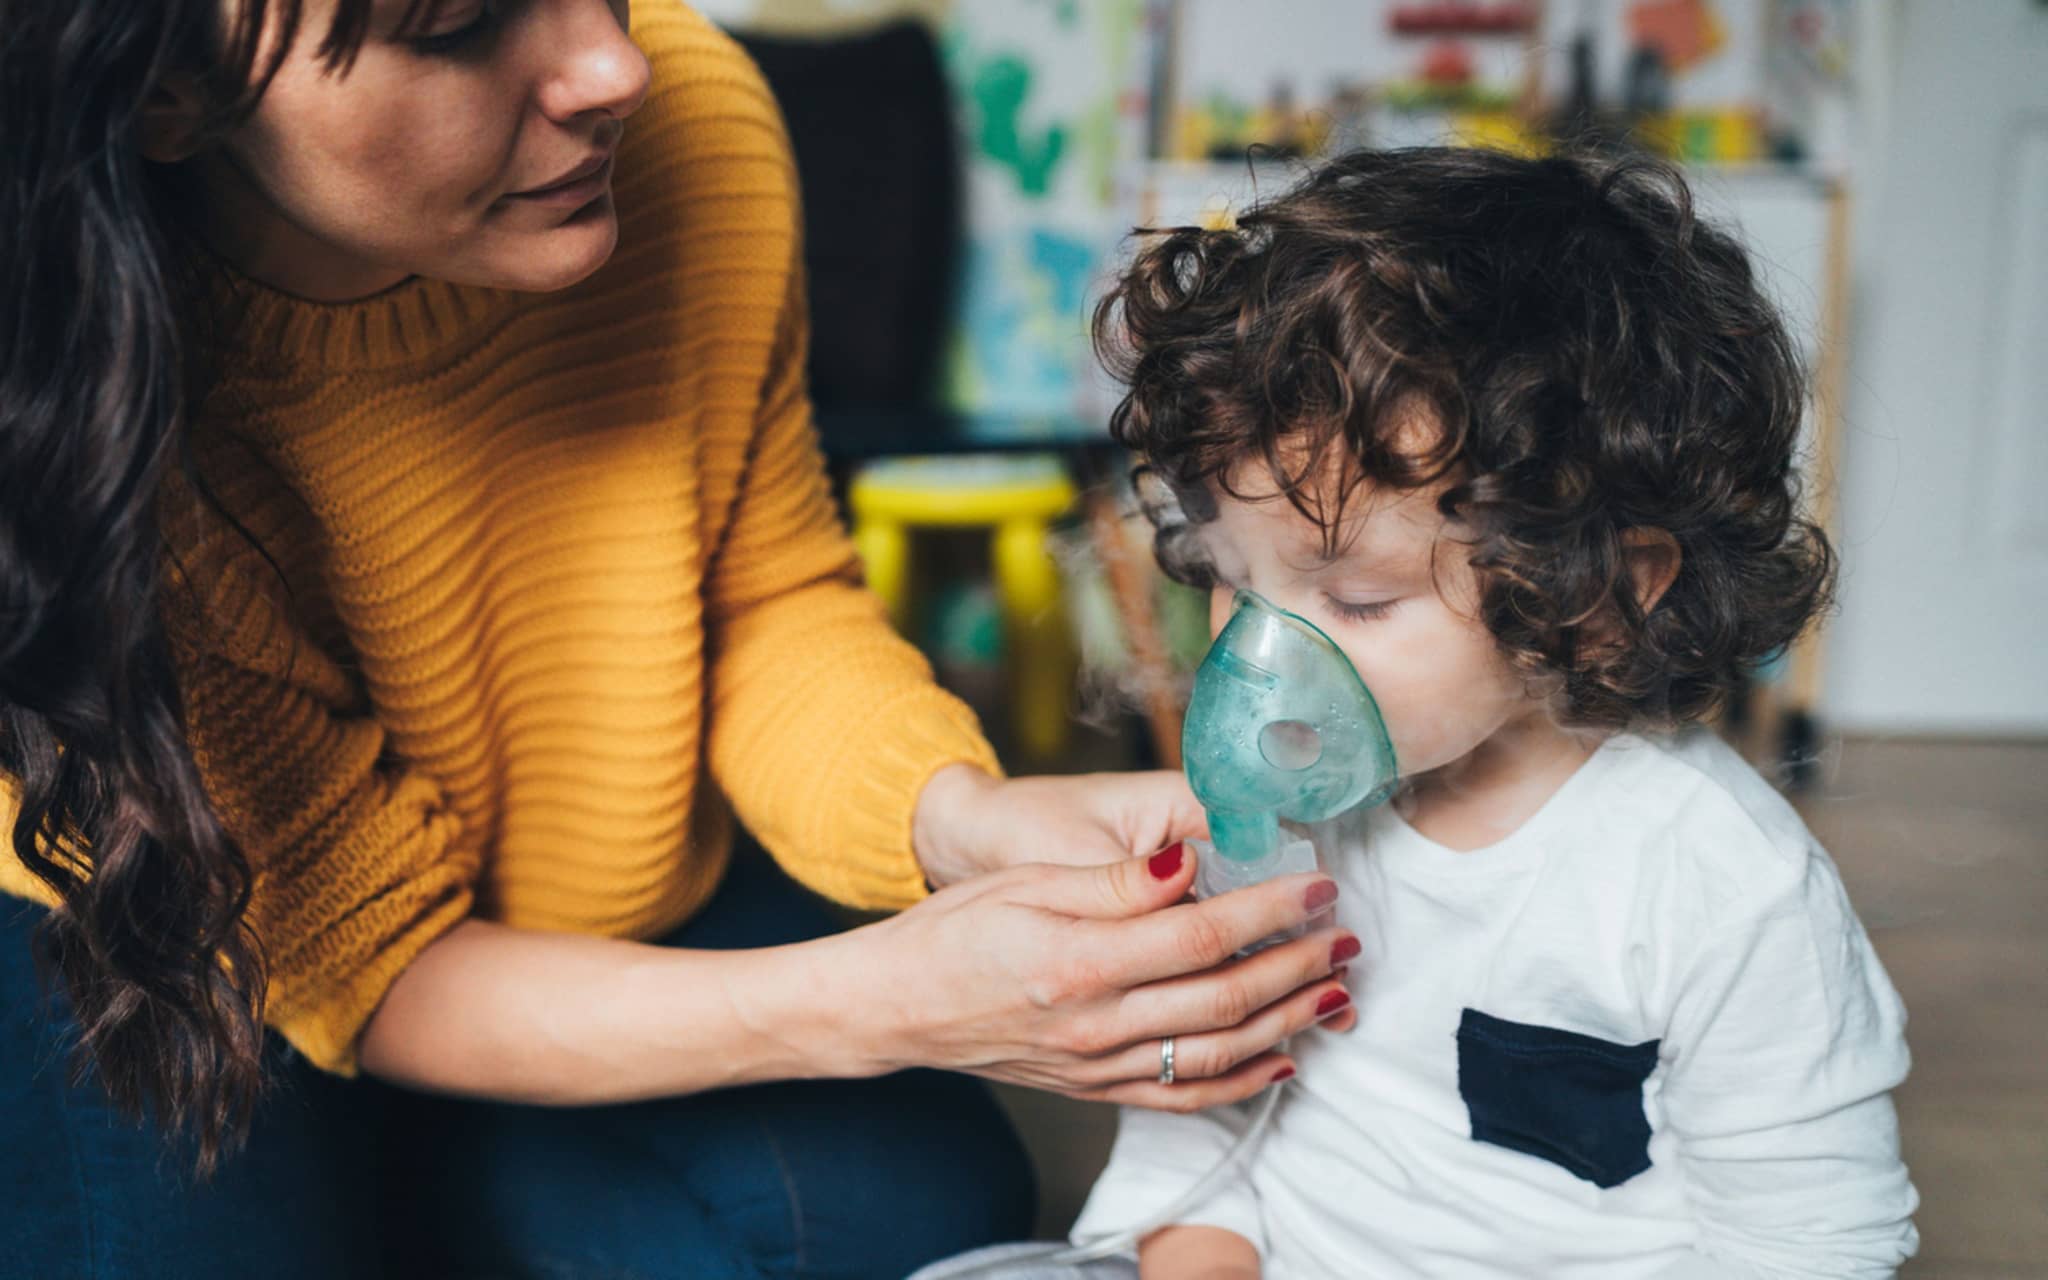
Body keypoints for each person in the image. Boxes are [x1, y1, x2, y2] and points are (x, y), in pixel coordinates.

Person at [0, 3, 1364, 1276]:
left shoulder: (693, 126)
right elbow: (378, 958)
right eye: (459, 26)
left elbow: (760, 601)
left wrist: (962, 819)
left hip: (589, 865)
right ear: (169, 90)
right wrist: (882, 999)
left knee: (903, 1210)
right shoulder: (70, 381)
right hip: (170, 918)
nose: (616, 68)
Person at [923, 147, 1919, 1279]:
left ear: (1595, 593)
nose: (1259, 657)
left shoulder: (1721, 886)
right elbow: (1195, 1130)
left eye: (1355, 599)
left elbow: (1809, 1244)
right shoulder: (1275, 819)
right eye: (1232, 579)